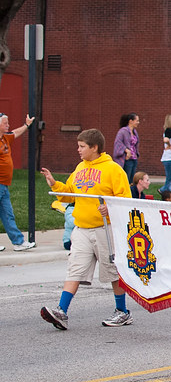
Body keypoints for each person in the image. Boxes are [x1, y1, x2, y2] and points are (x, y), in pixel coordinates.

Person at [40, 129, 132, 329]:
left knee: (112, 272)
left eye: (82, 146)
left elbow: (125, 199)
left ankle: (122, 312)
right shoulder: (80, 167)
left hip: (105, 229)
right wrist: (55, 184)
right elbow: (70, 195)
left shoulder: (113, 169)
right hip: (81, 228)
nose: (78, 150)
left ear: (94, 147)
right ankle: (61, 311)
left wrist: (110, 207)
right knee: (75, 269)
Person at [0, 112, 37, 251]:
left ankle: (18, 242)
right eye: (5, 123)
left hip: (4, 185)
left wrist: (26, 125)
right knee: (7, 214)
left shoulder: (5, 138)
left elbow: (15, 132)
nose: (8, 125)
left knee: (8, 214)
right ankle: (18, 241)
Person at [112, 112, 140, 183]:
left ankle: (130, 193)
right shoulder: (123, 131)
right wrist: (126, 150)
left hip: (134, 158)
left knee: (132, 180)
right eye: (137, 120)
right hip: (127, 159)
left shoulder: (134, 132)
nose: (138, 122)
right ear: (131, 121)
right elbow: (118, 143)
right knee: (126, 179)